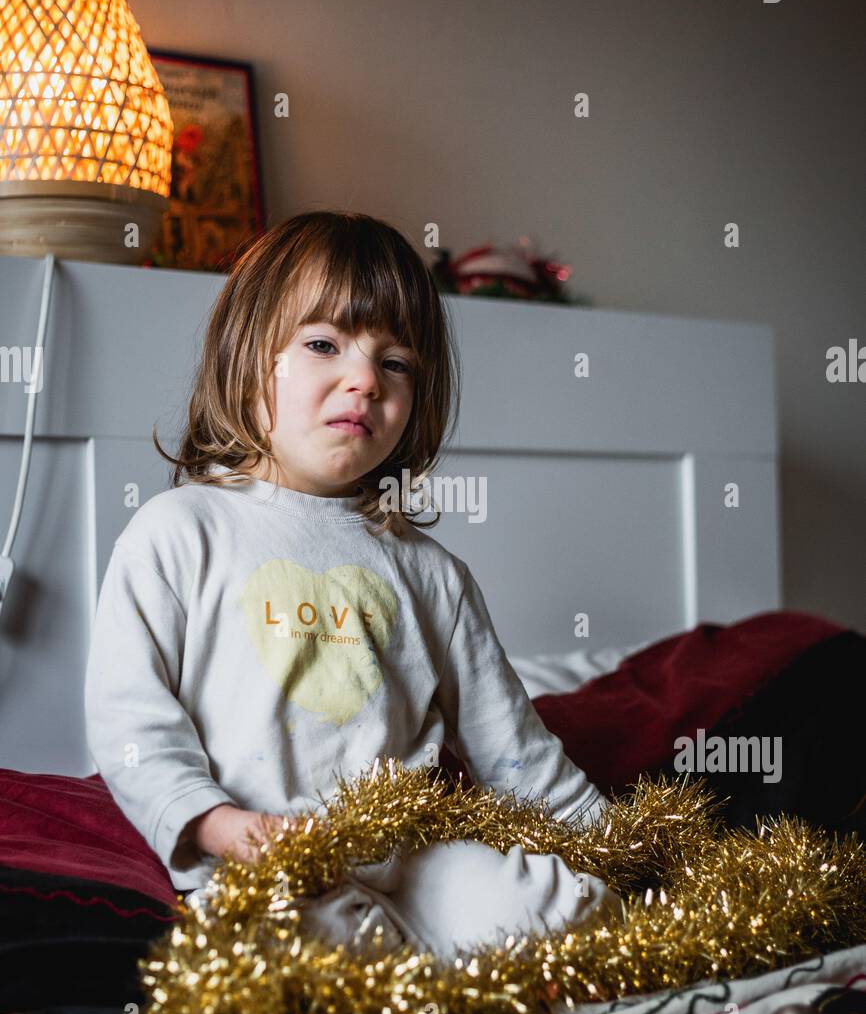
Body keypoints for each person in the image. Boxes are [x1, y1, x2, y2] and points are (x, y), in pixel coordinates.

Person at [84, 210, 619, 956]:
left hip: (413, 859)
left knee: (563, 908)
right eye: (323, 344)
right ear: (248, 358)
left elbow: (515, 754)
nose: (364, 379)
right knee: (295, 943)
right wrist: (212, 822)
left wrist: (625, 849)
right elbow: (129, 718)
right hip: (267, 859)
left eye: (395, 363)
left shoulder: (430, 573)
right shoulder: (178, 532)